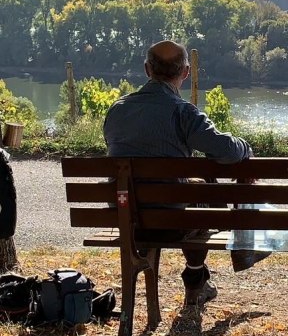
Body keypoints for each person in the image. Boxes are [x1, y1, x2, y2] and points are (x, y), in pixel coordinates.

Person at [103, 40, 253, 308]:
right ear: (185, 73)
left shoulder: (117, 110)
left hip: (127, 217)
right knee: (203, 190)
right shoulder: (183, 112)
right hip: (171, 222)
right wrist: (246, 147)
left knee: (197, 186)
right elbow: (227, 151)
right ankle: (196, 277)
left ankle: (198, 277)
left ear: (147, 69)